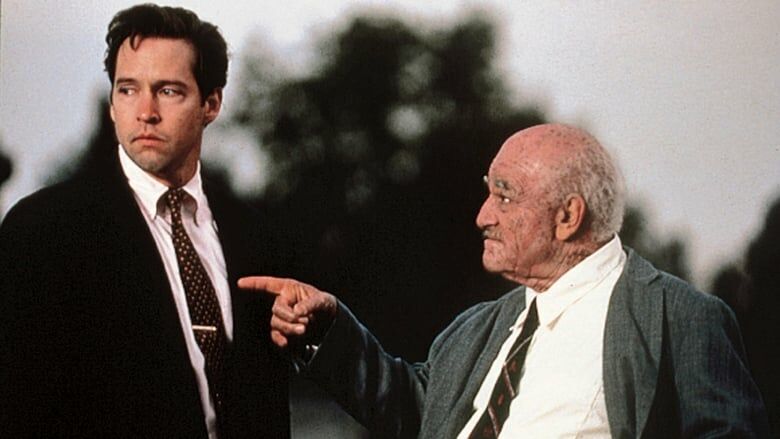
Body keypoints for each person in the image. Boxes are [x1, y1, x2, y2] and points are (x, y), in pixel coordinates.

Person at [239, 123, 770, 438]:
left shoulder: (680, 319)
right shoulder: (480, 326)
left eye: (505, 195)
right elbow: (418, 410)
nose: (482, 215)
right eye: (487, 191)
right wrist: (329, 329)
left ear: (568, 217)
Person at [0, 4, 289, 438]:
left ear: (211, 103)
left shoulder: (254, 235)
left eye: (168, 91)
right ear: (112, 103)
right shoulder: (44, 230)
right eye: (128, 89)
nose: (145, 111)